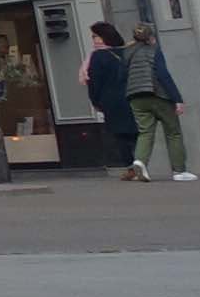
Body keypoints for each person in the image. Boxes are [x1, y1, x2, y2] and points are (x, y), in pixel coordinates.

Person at [125, 23, 193, 184]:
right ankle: (179, 171)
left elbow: (123, 76)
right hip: (157, 95)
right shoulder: (154, 51)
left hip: (135, 96)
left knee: (145, 132)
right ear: (150, 37)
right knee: (173, 132)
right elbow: (163, 75)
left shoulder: (127, 53)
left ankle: (140, 162)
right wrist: (177, 98)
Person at [80, 21, 143, 180]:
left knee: (121, 135)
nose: (94, 40)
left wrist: (95, 100)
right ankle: (140, 163)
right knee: (136, 132)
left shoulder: (98, 56)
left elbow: (95, 81)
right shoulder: (127, 52)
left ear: (104, 37)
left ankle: (131, 168)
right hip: (132, 96)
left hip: (111, 100)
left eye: (96, 36)